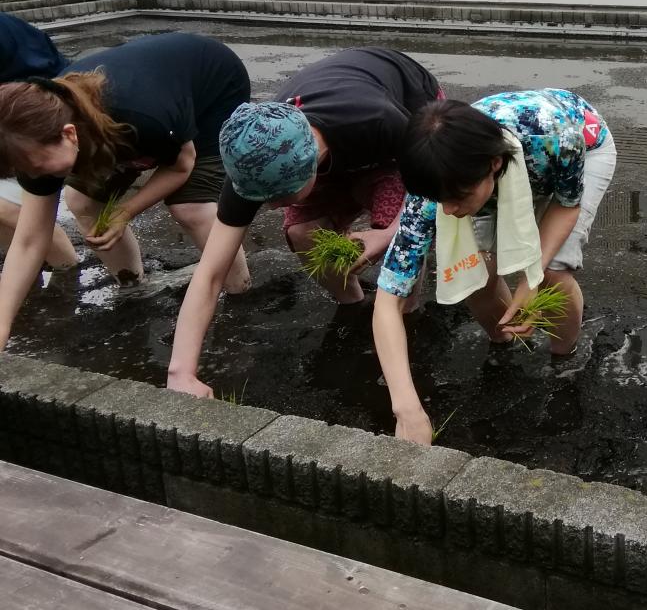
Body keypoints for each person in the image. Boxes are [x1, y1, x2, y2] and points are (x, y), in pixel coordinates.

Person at [166, 47, 442, 398]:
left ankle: (404, 318)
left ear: (312, 164)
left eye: (280, 198)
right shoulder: (252, 161)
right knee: (301, 230)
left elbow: (430, 180)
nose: (270, 207)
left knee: (399, 242)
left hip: (409, 124)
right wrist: (181, 371)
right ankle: (353, 305)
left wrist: (389, 233)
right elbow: (210, 273)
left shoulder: (377, 120)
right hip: (326, 145)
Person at [373, 88, 617, 445]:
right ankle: (503, 337)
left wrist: (530, 279)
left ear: (494, 166)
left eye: (457, 200)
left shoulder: (555, 137)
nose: (450, 212)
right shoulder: (434, 191)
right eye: (441, 201)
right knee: (477, 270)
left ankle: (565, 358)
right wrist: (406, 408)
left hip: (579, 146)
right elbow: (387, 301)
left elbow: (566, 204)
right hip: (479, 172)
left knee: (552, 272)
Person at [0, 31, 252, 349]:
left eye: (37, 168)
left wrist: (125, 212)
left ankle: (241, 293)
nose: (34, 176)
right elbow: (28, 240)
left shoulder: (143, 118)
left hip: (212, 89)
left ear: (68, 134)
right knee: (81, 200)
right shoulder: (31, 145)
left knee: (190, 208)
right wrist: (2, 323)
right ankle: (134, 287)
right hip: (128, 113)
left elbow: (182, 165)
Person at [0, 13, 77, 269]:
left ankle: (67, 269)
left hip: (31, 125)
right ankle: (26, 271)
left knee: (20, 213)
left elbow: (52, 81)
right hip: (16, 124)